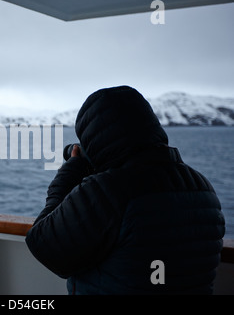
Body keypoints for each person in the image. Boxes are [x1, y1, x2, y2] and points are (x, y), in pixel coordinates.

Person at [25, 85, 225, 294]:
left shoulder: (108, 190)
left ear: (96, 139)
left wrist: (71, 171)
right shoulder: (203, 186)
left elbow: (43, 244)